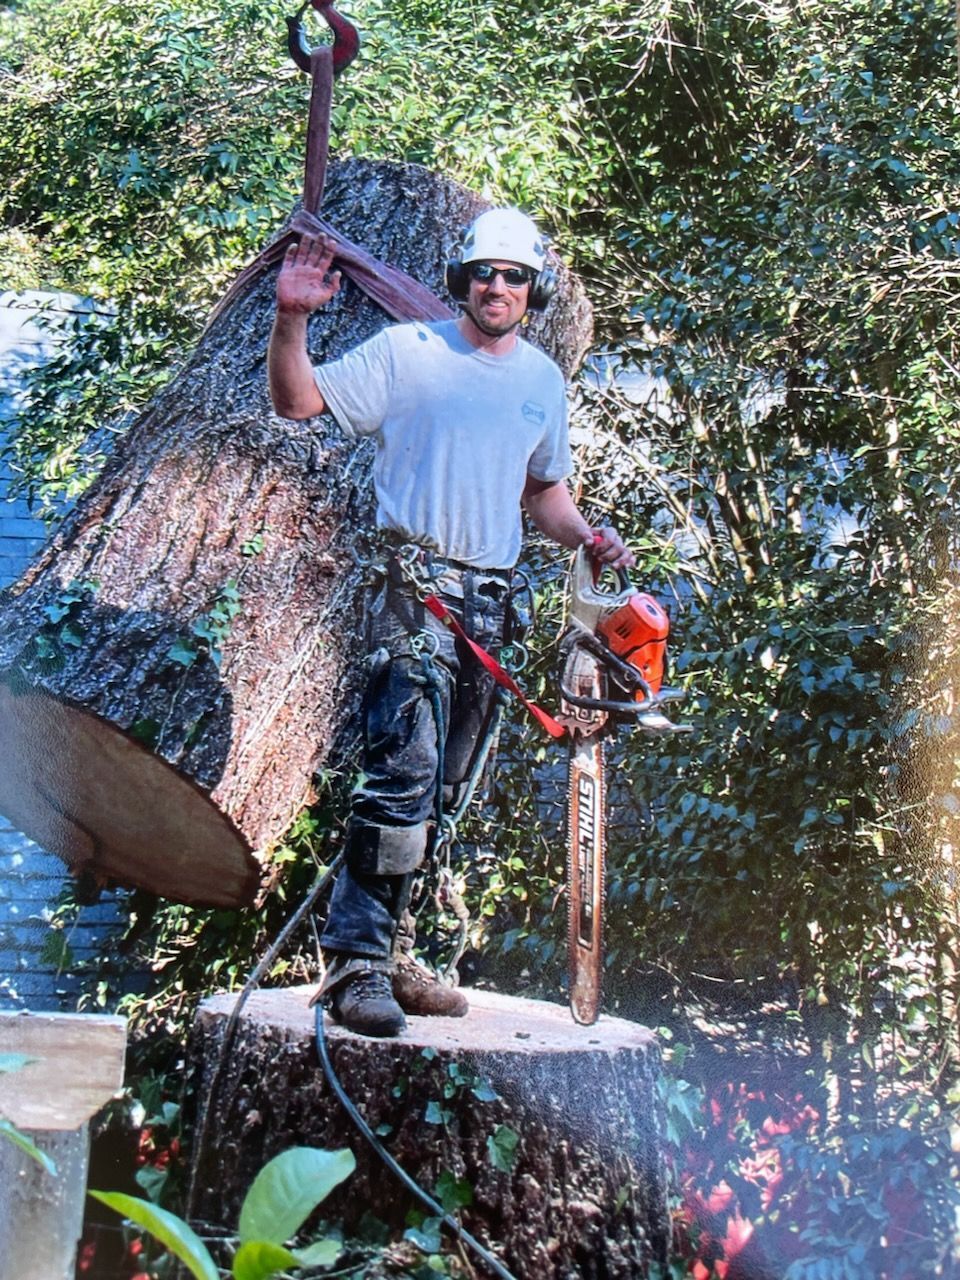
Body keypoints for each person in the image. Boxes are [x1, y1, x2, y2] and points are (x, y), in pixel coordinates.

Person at [268, 207, 633, 1037]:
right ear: (461, 280)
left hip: (490, 599)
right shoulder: (410, 354)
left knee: (447, 788)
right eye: (484, 273)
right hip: (413, 587)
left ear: (532, 289)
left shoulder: (542, 380)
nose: (496, 287)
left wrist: (589, 538)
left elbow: (542, 491)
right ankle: (356, 964)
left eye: (513, 275)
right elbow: (297, 401)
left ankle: (392, 949)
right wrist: (292, 317)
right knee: (403, 774)